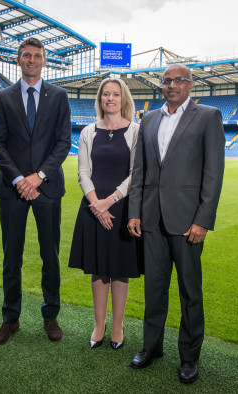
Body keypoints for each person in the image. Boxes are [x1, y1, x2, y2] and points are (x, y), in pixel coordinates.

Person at [127, 64, 225, 384]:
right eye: (167, 80)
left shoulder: (208, 116)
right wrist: (135, 212)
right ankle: (152, 347)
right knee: (154, 291)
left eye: (178, 80)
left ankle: (189, 357)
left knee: (189, 293)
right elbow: (140, 170)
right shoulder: (150, 119)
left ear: (190, 85)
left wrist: (203, 220)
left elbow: (213, 173)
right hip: (152, 220)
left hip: (187, 223)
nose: (171, 85)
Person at [0, 37, 71, 345]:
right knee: (12, 257)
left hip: (48, 189)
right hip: (13, 191)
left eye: (37, 55)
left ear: (44, 60)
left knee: (50, 255)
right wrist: (20, 180)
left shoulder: (59, 96)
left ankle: (51, 316)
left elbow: (63, 142)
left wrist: (38, 177)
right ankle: (11, 319)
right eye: (26, 55)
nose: (32, 60)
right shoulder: (3, 97)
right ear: (18, 59)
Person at [68, 78, 142, 350]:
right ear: (99, 99)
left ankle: (118, 326)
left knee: (120, 271)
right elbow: (83, 172)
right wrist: (96, 203)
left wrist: (109, 201)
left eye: (115, 94)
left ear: (124, 99)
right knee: (99, 270)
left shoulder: (136, 130)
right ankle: (99, 325)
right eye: (105, 94)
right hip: (92, 206)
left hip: (122, 208)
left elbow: (136, 174)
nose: (110, 98)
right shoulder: (88, 131)